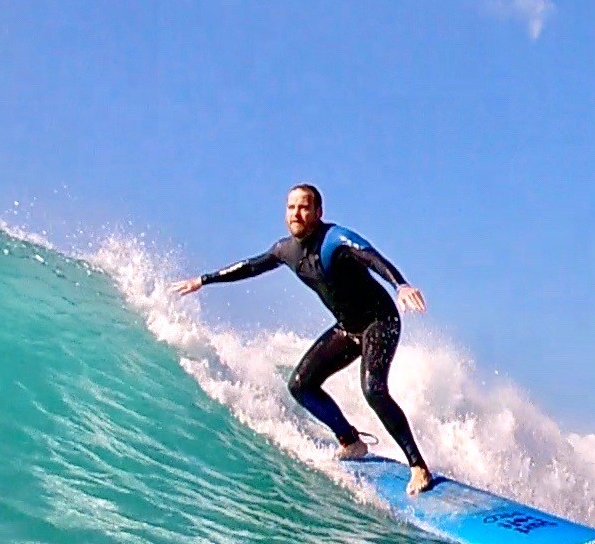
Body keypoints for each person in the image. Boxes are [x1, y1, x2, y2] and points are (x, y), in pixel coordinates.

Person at [172, 185, 434, 495]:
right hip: (348, 327)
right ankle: (350, 440)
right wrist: (204, 280)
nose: (296, 213)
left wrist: (400, 285)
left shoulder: (335, 239)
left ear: (318, 212)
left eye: (304, 207)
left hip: (380, 322)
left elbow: (371, 256)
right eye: (291, 207)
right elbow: (251, 266)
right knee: (300, 385)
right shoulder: (286, 250)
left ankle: (418, 467)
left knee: (373, 390)